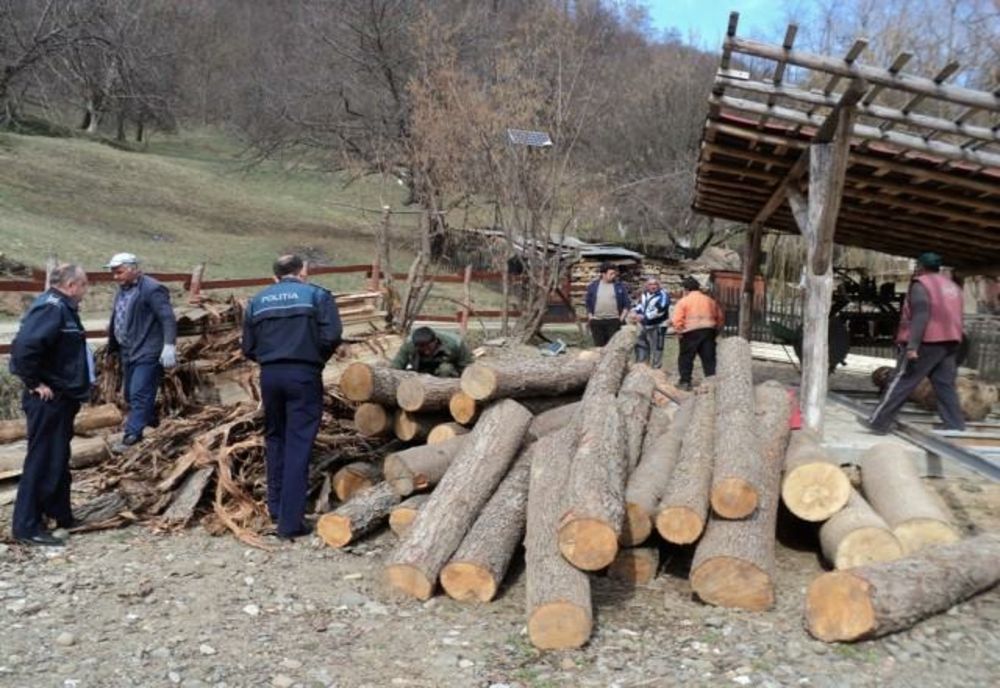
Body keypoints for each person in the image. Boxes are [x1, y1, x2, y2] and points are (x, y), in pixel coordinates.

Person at [242, 254, 342, 539]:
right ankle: (290, 523)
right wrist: (314, 358)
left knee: (275, 439)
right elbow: (332, 335)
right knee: (299, 443)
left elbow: (247, 347)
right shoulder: (316, 296)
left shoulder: (257, 301)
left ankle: (275, 508)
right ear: (303, 271)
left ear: (275, 275)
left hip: (270, 376)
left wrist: (270, 359)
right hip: (303, 373)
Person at [9, 264, 92, 546]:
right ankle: (26, 526)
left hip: (63, 397)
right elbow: (23, 349)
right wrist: (34, 383)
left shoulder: (63, 308)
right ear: (71, 285)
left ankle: (60, 514)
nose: (86, 291)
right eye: (84, 285)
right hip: (48, 399)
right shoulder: (51, 308)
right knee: (42, 460)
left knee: (58, 457)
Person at [862, 252, 965, 434]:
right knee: (944, 383)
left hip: (927, 341)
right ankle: (955, 424)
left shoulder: (921, 284)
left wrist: (912, 346)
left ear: (920, 267)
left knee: (902, 381)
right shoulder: (952, 286)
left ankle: (878, 422)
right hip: (951, 341)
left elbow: (921, 315)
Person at [105, 252, 178, 450]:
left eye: (119, 272)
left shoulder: (152, 289)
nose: (116, 277)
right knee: (130, 394)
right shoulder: (122, 290)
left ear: (132, 269)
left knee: (139, 393)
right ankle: (152, 421)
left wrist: (169, 345)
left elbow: (167, 318)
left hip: (148, 350)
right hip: (128, 350)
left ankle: (132, 435)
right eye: (114, 273)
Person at [671, 276, 724, 391]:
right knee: (709, 358)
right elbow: (720, 317)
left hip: (690, 332)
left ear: (686, 289)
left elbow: (677, 320)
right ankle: (712, 382)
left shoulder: (683, 301)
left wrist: (679, 331)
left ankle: (685, 382)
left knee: (686, 358)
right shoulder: (710, 300)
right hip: (708, 331)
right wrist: (716, 330)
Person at [391, 326, 473, 377]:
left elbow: (467, 368)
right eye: (422, 349)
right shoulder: (409, 345)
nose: (426, 352)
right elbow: (396, 367)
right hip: (420, 373)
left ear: (435, 341)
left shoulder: (456, 343)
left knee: (445, 369)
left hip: (446, 376)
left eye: (429, 348)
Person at [584, 262, 631, 346]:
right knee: (599, 347)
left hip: (614, 321)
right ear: (603, 274)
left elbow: (626, 304)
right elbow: (588, 303)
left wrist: (621, 319)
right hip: (597, 321)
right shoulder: (593, 286)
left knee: (613, 347)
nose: (614, 275)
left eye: (614, 273)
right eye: (611, 273)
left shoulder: (619, 286)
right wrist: (590, 317)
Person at [629, 277, 670, 368]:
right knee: (641, 344)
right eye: (650, 284)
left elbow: (660, 310)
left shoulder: (663, 295)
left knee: (657, 348)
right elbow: (640, 305)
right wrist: (635, 311)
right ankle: (641, 366)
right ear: (646, 286)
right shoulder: (644, 294)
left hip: (658, 325)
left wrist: (644, 316)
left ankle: (656, 369)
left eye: (655, 284)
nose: (653, 286)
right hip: (644, 324)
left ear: (658, 285)